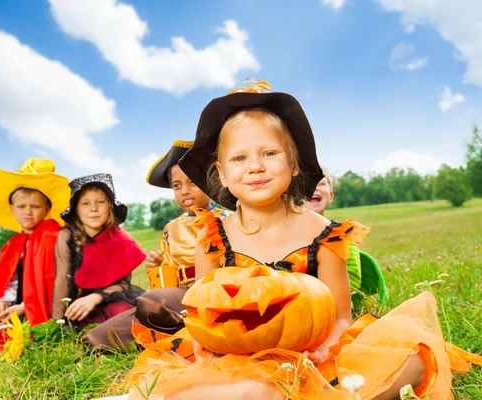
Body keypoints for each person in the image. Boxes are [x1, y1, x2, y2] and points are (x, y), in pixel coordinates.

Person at [122, 79, 481, 400]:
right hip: (237, 355)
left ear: (294, 164)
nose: (256, 166)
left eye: (269, 153)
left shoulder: (324, 234)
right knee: (254, 388)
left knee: (413, 355)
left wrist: (324, 350)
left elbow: (341, 316)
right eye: (240, 157)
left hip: (312, 350)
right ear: (222, 174)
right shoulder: (214, 237)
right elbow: (202, 311)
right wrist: (207, 348)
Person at [84, 141, 228, 348]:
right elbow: (167, 282)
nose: (184, 191)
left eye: (193, 182)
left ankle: (176, 329)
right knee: (102, 336)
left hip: (213, 295)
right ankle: (170, 328)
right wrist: (158, 267)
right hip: (176, 296)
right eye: (177, 185)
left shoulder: (226, 220)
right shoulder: (171, 228)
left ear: (211, 181)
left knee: (152, 303)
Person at [0, 158, 70, 351]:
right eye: (22, 207)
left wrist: (25, 308)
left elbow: (54, 282)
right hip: (15, 305)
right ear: (12, 210)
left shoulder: (54, 236)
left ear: (47, 209)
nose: (28, 213)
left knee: (29, 341)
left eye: (35, 207)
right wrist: (2, 302)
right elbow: (11, 281)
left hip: (41, 308)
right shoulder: (13, 245)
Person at [52, 173, 146, 330]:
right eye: (85, 203)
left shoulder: (121, 239)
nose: (93, 209)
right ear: (76, 210)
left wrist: (96, 297)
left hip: (109, 299)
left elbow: (123, 284)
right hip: (77, 305)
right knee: (78, 324)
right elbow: (62, 279)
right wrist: (57, 322)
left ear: (110, 206)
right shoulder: (66, 236)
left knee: (127, 313)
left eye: (100, 202)